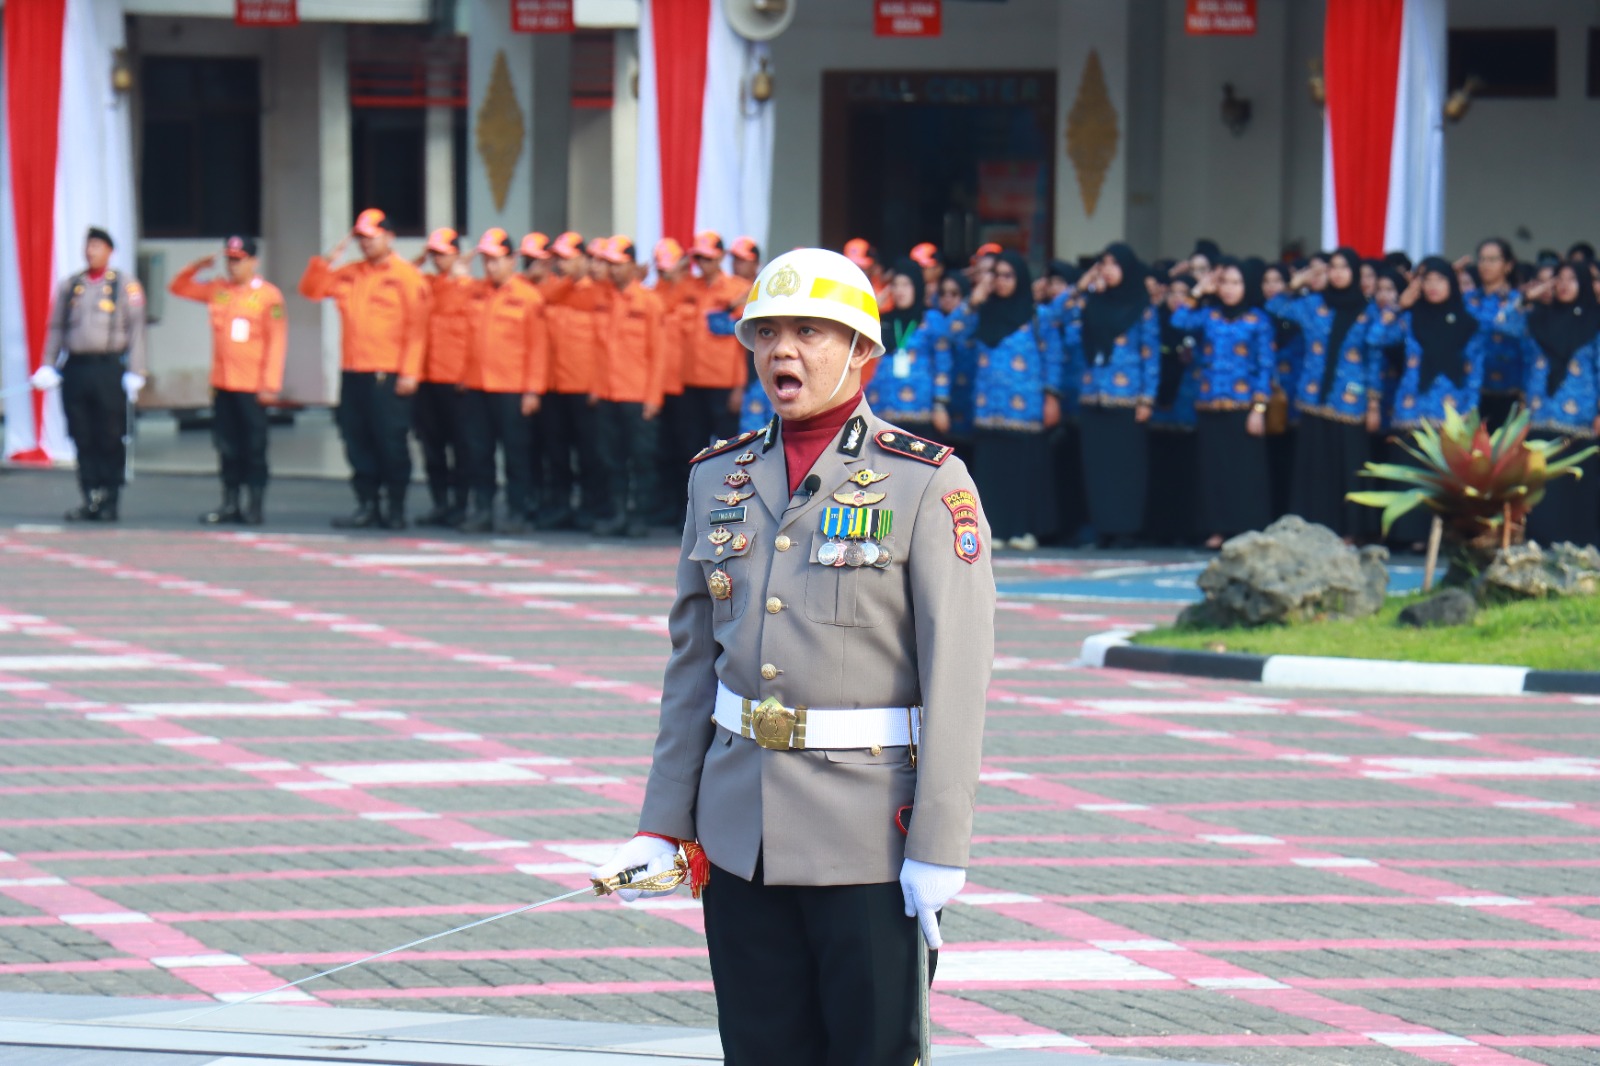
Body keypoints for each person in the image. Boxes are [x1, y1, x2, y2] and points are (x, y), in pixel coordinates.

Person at [591, 247, 994, 1066]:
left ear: (862, 350)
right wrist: (662, 823)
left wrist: (940, 843)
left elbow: (958, 676)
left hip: (868, 836)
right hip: (740, 831)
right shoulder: (718, 476)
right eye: (769, 332)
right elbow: (692, 665)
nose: (785, 351)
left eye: (811, 332)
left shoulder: (927, 483)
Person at [298, 208, 430, 530]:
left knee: (390, 442)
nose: (366, 244)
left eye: (372, 237)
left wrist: (410, 372)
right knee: (356, 439)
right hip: (354, 371)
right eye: (361, 238)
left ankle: (395, 508)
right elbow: (311, 291)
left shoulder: (406, 276)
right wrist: (326, 260)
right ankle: (367, 504)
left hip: (388, 373)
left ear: (389, 237)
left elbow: (417, 329)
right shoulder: (350, 273)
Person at [169, 235, 287, 525]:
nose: (233, 265)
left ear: (253, 261)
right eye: (230, 260)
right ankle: (230, 503)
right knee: (226, 446)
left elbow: (277, 342)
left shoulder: (268, 296)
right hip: (223, 383)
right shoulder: (218, 289)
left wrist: (270, 385)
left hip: (252, 387)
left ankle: (254, 505)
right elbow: (178, 287)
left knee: (254, 447)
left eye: (239, 260)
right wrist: (196, 266)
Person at [1266, 247, 1381, 539]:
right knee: (1314, 468)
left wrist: (1373, 403)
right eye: (1334, 267)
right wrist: (1294, 285)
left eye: (1345, 267)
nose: (1338, 273)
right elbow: (1275, 307)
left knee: (1347, 466)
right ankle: (1311, 530)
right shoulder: (1313, 304)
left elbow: (1375, 357)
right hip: (1313, 397)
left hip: (1351, 399)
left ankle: (1350, 532)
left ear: (1355, 273)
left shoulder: (1368, 310)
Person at [37, 227, 148, 522]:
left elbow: (137, 330)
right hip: (76, 368)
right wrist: (48, 364)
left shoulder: (124, 285)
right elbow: (56, 327)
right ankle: (90, 496)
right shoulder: (71, 285)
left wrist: (136, 370)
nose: (91, 251)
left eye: (97, 246)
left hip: (108, 368)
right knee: (81, 434)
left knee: (109, 434)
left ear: (110, 251)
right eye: (88, 246)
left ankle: (110, 497)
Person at [958, 251, 1063, 550]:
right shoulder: (981, 312)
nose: (1001, 281)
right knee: (992, 471)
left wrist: (1052, 396)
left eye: (1008, 275)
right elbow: (951, 336)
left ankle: (1022, 529)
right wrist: (973, 300)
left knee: (1022, 470)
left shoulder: (1037, 316)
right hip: (988, 406)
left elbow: (1053, 356)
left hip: (1025, 408)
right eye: (996, 275)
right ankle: (995, 530)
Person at [1174, 259, 1274, 545]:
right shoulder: (1209, 315)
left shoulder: (1258, 320)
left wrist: (1259, 408)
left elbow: (1265, 366)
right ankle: (1216, 528)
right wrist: (1198, 290)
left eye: (1236, 283)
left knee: (1244, 470)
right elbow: (1178, 321)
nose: (1229, 289)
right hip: (1210, 404)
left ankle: (1245, 527)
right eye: (1224, 283)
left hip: (1244, 406)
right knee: (1213, 470)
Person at [1067, 242, 1160, 548]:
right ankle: (1102, 527)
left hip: (1127, 397)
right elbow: (1063, 323)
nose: (1107, 270)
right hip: (1093, 395)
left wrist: (1147, 398)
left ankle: (1125, 528)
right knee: (1098, 467)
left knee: (1126, 467)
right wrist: (1079, 289)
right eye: (1103, 264)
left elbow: (1150, 354)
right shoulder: (1091, 303)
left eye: (1113, 264)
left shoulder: (1141, 306)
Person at [457, 228, 547, 534]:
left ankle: (517, 511)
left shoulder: (527, 297)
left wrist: (533, 389)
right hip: (477, 386)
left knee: (516, 454)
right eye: (486, 260)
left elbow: (538, 347)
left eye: (496, 260)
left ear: (512, 260)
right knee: (478, 452)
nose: (490, 266)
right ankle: (482, 509)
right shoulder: (475, 292)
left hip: (512, 388)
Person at [591, 236, 666, 537]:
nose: (613, 270)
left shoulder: (649, 302)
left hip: (638, 395)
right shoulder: (602, 298)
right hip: (607, 393)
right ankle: (618, 513)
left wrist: (653, 397)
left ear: (633, 266)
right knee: (611, 458)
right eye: (609, 264)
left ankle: (640, 516)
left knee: (642, 458)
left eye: (618, 264)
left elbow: (658, 353)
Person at [1524, 260, 1600, 546]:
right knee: (1543, 488)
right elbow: (1500, 324)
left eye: (1573, 279)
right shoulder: (1538, 318)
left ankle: (1579, 547)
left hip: (1580, 418)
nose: (1565, 285)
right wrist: (1527, 298)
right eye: (1560, 278)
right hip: (1540, 414)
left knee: (1576, 486)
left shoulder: (1594, 321)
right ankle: (1540, 543)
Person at [537, 230, 609, 530]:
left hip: (585, 387)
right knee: (557, 452)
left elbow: (606, 345)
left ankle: (593, 508)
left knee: (590, 454)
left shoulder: (600, 292)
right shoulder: (558, 289)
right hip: (556, 385)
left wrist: (599, 384)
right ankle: (560, 506)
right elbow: (538, 302)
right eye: (559, 259)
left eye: (567, 258)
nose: (562, 264)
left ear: (583, 258)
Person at [413, 228, 476, 527]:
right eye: (434, 254)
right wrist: (421, 257)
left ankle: (461, 505)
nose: (438, 260)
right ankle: (440, 503)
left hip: (457, 380)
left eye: (443, 254)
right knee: (432, 447)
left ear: (457, 254)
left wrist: (462, 279)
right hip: (426, 378)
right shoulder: (426, 284)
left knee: (462, 446)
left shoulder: (471, 289)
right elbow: (402, 275)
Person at [679, 231, 753, 457]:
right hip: (691, 381)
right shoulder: (687, 287)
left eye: (708, 258)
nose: (703, 263)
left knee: (727, 449)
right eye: (698, 257)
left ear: (721, 257)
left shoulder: (739, 289)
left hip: (723, 382)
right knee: (692, 448)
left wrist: (739, 387)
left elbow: (745, 345)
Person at [865, 258, 945, 444]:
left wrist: (940, 404)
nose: (900, 290)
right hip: (883, 409)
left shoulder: (931, 319)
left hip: (920, 411)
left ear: (917, 286)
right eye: (895, 284)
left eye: (906, 284)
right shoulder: (883, 319)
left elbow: (943, 363)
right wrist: (871, 310)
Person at [1461, 238, 1528, 429]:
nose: (1485, 265)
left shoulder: (1519, 302)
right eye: (1482, 259)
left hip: (1510, 393)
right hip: (1469, 392)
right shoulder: (1466, 301)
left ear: (1508, 265)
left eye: (1492, 259)